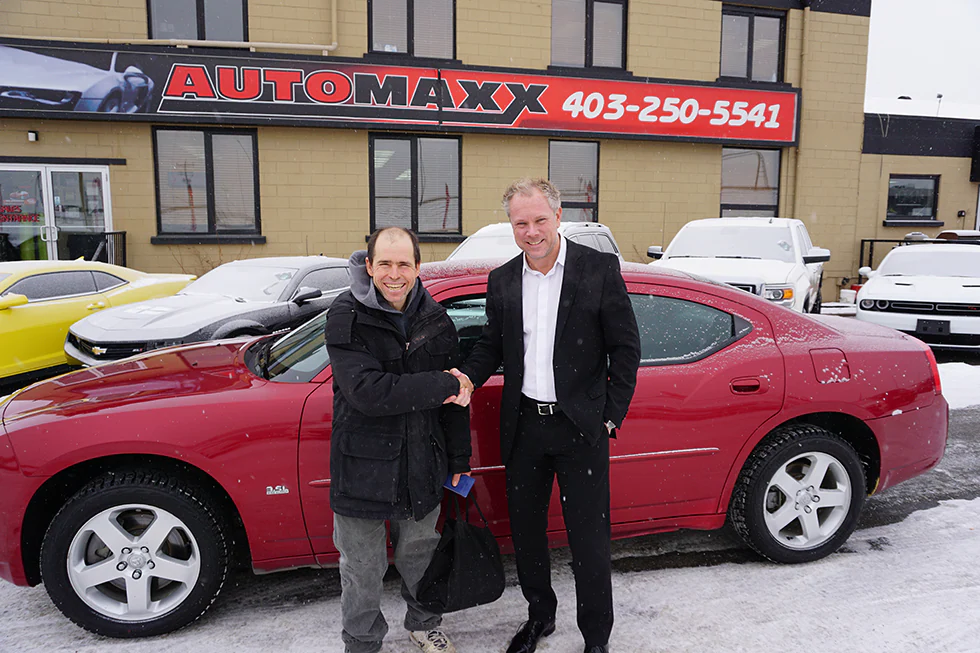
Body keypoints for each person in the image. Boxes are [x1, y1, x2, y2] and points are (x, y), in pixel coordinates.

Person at [452, 178, 641, 653]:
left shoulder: (597, 269)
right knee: (528, 534)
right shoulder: (502, 279)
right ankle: (540, 617)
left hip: (581, 428)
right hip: (525, 426)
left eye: (539, 220)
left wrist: (610, 415)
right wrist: (466, 379)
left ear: (558, 217)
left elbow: (626, 347)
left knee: (588, 539)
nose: (531, 231)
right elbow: (492, 344)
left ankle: (596, 636)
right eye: (521, 223)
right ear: (510, 225)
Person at [325, 226, 472, 653]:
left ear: (418, 267)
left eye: (403, 264)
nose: (394, 274)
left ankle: (425, 624)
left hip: (422, 462)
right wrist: (442, 381)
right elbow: (368, 392)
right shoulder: (345, 315)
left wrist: (458, 459)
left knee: (421, 555)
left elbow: (456, 401)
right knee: (362, 567)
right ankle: (362, 640)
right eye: (385, 263)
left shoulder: (437, 321)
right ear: (369, 266)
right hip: (361, 467)